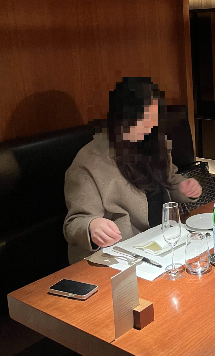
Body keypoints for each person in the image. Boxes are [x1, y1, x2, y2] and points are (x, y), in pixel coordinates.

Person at [63, 77, 202, 263]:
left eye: (153, 118)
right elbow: (74, 222)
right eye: (142, 119)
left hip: (163, 240)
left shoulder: (154, 141)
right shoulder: (89, 162)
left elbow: (169, 180)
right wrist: (92, 226)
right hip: (122, 253)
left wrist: (185, 187)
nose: (149, 125)